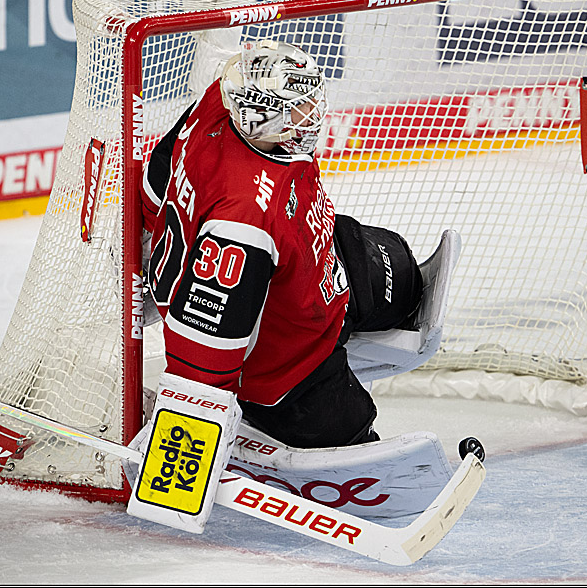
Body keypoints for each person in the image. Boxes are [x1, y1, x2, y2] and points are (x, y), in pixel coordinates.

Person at [140, 39, 425, 449]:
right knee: (351, 429)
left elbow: (158, 174)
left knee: (404, 275)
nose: (311, 116)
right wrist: (186, 440)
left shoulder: (218, 105)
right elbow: (206, 348)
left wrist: (146, 243)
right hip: (286, 364)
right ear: (260, 115)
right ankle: (274, 411)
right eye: (297, 107)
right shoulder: (241, 222)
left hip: (316, 268)